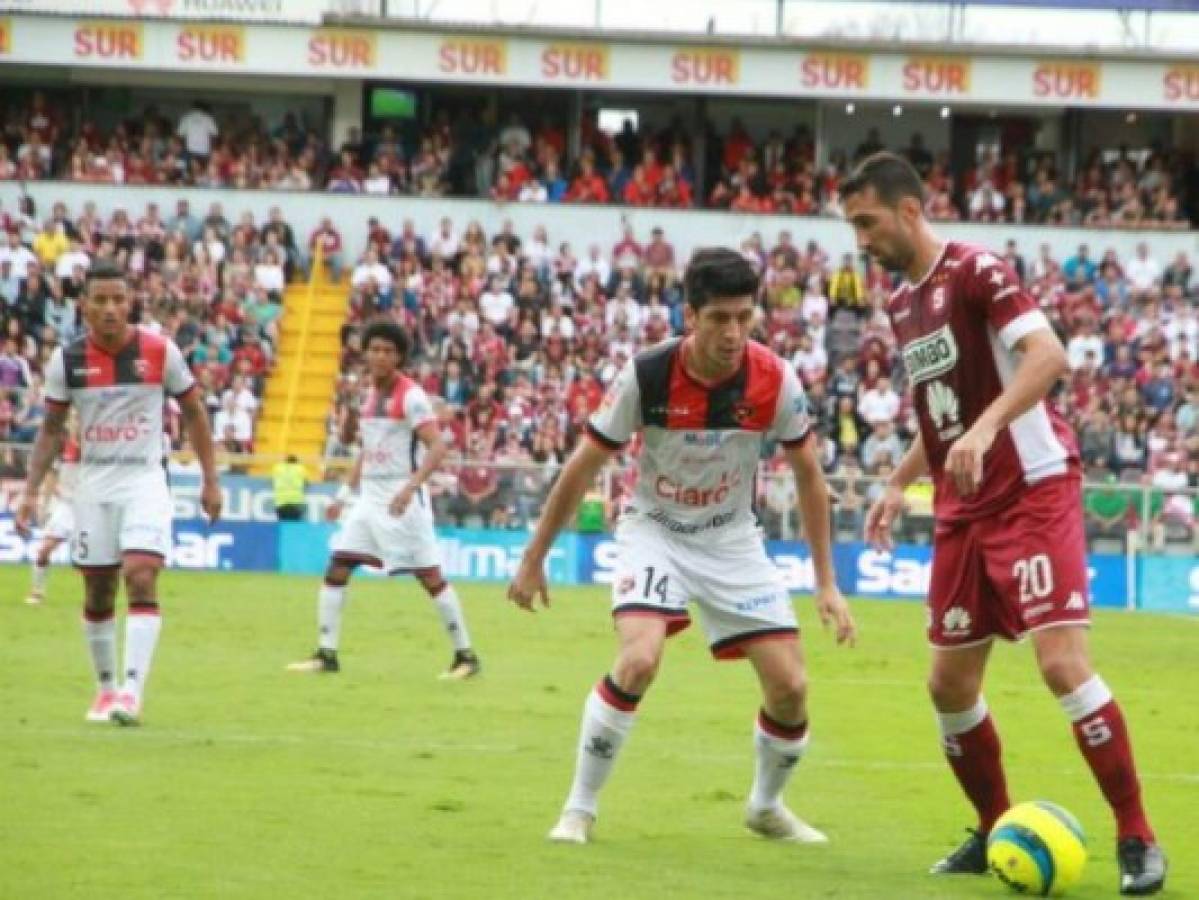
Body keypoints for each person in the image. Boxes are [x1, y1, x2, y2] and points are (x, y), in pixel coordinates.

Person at [841, 152, 1166, 895]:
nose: (860, 239)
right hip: (962, 508)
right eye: (852, 225)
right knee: (948, 685)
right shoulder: (900, 306)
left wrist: (986, 429)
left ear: (909, 211)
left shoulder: (976, 270)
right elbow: (940, 419)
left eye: (867, 221)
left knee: (1059, 664)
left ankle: (1137, 836)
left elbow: (1047, 357)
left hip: (1031, 487)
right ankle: (993, 828)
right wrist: (895, 485)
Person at [507, 247, 856, 845]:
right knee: (640, 659)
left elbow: (809, 478)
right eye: (719, 317)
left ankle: (765, 807)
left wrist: (827, 583)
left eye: (745, 317)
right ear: (690, 315)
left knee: (792, 688)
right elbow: (582, 466)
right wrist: (535, 556)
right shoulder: (646, 374)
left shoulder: (775, 379)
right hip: (656, 532)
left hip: (731, 541)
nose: (733, 332)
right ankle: (579, 808)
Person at [15, 261, 222, 726]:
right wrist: (30, 492)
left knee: (142, 574)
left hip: (145, 479)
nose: (110, 308)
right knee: (99, 589)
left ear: (130, 303)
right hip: (92, 484)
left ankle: (132, 692)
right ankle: (105, 690)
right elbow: (50, 429)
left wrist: (210, 479)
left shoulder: (159, 351)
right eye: (100, 300)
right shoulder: (65, 362)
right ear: (83, 305)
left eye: (118, 299)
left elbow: (194, 413)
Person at [287, 320, 480, 680]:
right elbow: (361, 447)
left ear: (400, 356)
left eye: (388, 351)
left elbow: (438, 446)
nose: (379, 356)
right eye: (374, 349)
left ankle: (465, 657)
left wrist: (411, 487)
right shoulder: (364, 393)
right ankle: (326, 655)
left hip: (401, 498)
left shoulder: (411, 396)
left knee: (430, 578)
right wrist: (344, 493)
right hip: (369, 498)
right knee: (338, 567)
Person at [25, 425, 80, 606]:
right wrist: (45, 505)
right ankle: (37, 591)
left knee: (94, 562)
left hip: (91, 507)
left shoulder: (99, 448)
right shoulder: (64, 448)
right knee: (44, 550)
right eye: (75, 421)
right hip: (67, 507)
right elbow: (51, 475)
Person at [272, 454, 307, 521]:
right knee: (294, 526)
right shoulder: (300, 468)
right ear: (296, 462)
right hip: (295, 503)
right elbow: (306, 482)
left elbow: (272, 479)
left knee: (283, 525)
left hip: (280, 503)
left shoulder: (278, 467)